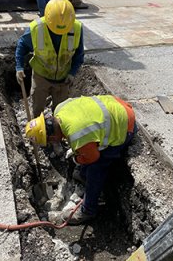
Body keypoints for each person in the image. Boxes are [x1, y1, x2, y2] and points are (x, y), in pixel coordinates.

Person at [24, 94, 137, 225]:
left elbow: (93, 157)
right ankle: (83, 176)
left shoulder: (77, 135)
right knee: (85, 153)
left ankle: (88, 210)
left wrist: (77, 160)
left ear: (52, 138)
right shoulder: (60, 108)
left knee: (96, 167)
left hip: (125, 125)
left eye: (49, 142)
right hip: (117, 105)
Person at [15, 0, 84, 117]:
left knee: (61, 114)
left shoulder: (76, 28)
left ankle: (56, 135)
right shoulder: (36, 29)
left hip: (63, 78)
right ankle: (37, 132)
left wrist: (72, 73)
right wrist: (19, 67)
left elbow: (79, 54)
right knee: (37, 109)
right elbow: (22, 46)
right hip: (41, 77)